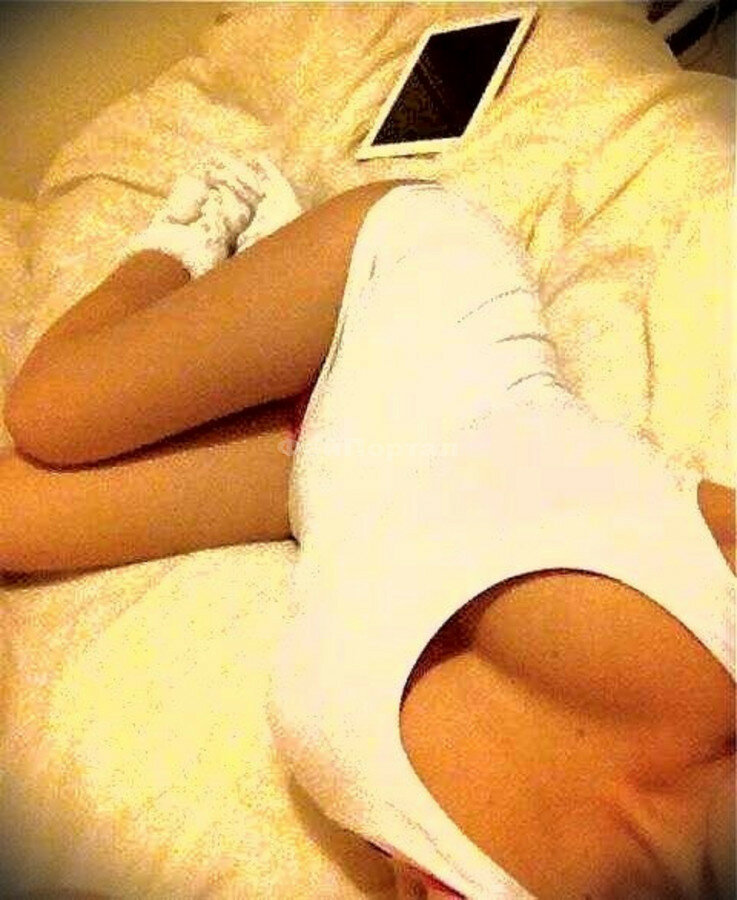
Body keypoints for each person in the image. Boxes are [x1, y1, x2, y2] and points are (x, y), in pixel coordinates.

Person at [1, 157, 734, 899]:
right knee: (50, 412)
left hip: (313, 468)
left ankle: (249, 350)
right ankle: (206, 226)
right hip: (401, 291)